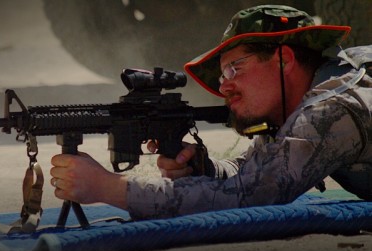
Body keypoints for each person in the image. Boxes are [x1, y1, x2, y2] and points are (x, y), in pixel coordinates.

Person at [50, 5, 372, 220]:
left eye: (235, 69)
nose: (225, 87)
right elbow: (251, 171)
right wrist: (205, 169)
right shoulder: (306, 101)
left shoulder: (334, 107)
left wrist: (109, 188)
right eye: (222, 75)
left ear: (284, 60)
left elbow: (251, 195)